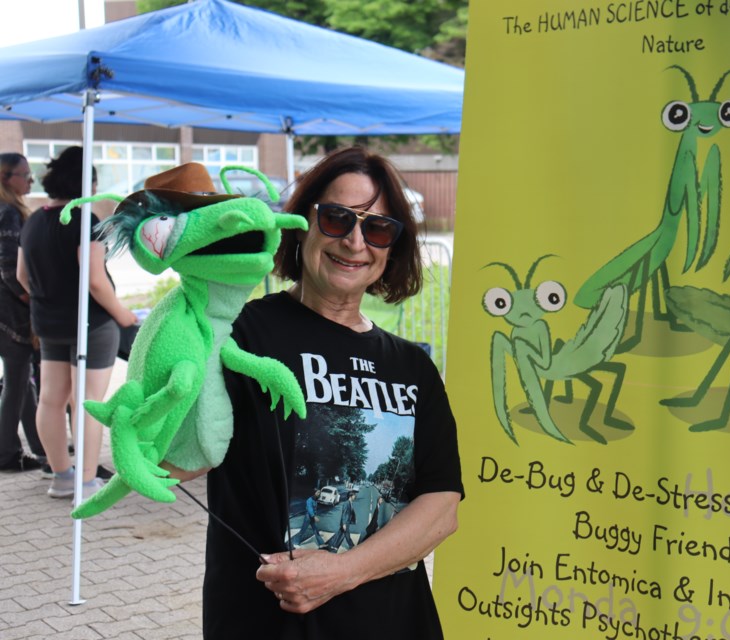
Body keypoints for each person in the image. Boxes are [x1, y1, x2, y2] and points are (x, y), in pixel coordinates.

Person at [169, 146, 463, 639]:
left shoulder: (412, 366)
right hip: (266, 624)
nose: (354, 242)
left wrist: (341, 572)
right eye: (336, 218)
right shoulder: (240, 336)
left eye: (377, 228)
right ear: (302, 222)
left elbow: (441, 505)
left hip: (393, 624)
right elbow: (176, 461)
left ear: (392, 247)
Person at [17, 146, 137, 498]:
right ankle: (86, 480)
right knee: (87, 401)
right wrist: (123, 314)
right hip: (91, 324)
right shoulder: (86, 221)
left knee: (51, 399)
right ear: (88, 182)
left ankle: (62, 477)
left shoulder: (35, 219)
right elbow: (95, 280)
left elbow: (23, 276)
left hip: (48, 321)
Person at [0, 152, 45, 472]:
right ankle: (5, 453)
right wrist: (32, 299)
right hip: (10, 312)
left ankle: (39, 445)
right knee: (16, 382)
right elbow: (8, 269)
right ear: (6, 178)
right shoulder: (8, 213)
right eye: (25, 174)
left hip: (7, 310)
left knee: (21, 379)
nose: (31, 180)